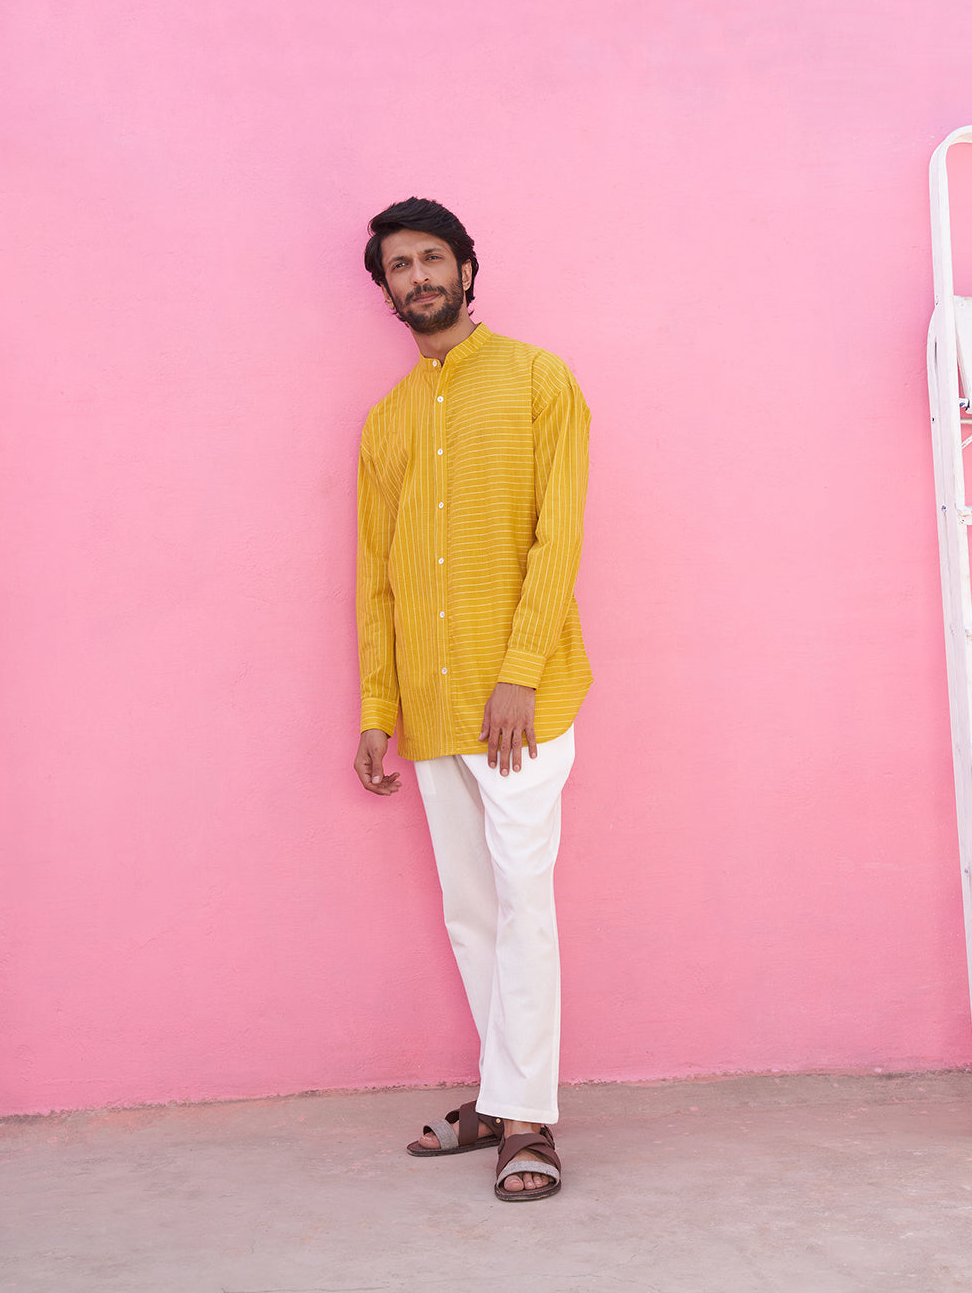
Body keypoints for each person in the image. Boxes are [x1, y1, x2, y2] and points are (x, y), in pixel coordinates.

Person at [353, 198, 591, 1202]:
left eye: (430, 258)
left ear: (464, 266)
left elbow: (559, 535)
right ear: (389, 289)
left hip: (518, 705)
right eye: (398, 266)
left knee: (524, 905)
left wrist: (521, 672)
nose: (416, 277)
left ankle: (529, 1121)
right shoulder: (387, 422)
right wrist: (377, 706)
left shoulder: (541, 378)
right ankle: (499, 1095)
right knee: (471, 911)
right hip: (429, 702)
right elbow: (375, 575)